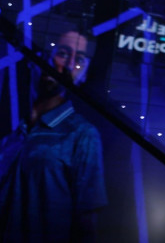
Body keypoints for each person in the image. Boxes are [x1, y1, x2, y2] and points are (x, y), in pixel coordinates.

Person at [0, 29, 107, 242]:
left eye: (79, 61)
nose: (67, 65)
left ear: (83, 75)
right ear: (42, 56)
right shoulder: (13, 135)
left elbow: (88, 223)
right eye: (63, 53)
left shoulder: (83, 135)